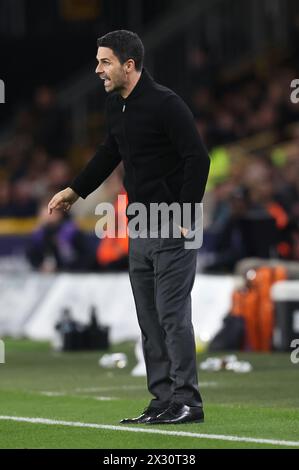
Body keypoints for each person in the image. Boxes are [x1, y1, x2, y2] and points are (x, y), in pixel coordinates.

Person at [48, 30, 210, 425]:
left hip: (172, 224)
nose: (98, 70)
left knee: (172, 315)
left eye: (105, 62)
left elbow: (198, 158)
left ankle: (188, 401)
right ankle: (163, 400)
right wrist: (76, 189)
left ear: (129, 65)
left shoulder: (166, 104)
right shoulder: (115, 106)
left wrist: (187, 214)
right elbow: (110, 152)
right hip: (139, 224)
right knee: (150, 318)